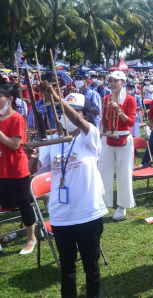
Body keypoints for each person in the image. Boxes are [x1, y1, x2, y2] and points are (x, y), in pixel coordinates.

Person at [27, 89, 108, 298]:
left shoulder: (90, 136)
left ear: (86, 115)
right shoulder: (53, 139)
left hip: (88, 212)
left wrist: (56, 97)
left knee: (92, 268)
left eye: (72, 111)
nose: (65, 115)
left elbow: (79, 123)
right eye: (60, 111)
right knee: (67, 269)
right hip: (61, 215)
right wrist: (34, 157)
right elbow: (33, 169)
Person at [0, 83, 36, 255]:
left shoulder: (17, 118)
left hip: (16, 168)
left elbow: (15, 145)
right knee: (6, 203)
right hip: (1, 168)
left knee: (23, 204)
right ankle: (37, 194)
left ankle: (31, 238)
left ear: (10, 100)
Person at [98, 71, 137, 221]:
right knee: (103, 172)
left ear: (123, 83)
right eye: (111, 81)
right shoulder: (105, 99)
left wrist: (119, 111)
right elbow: (103, 120)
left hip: (124, 138)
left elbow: (131, 122)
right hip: (107, 138)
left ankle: (122, 206)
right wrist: (102, 133)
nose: (113, 83)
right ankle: (102, 203)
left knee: (124, 173)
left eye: (116, 81)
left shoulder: (130, 99)